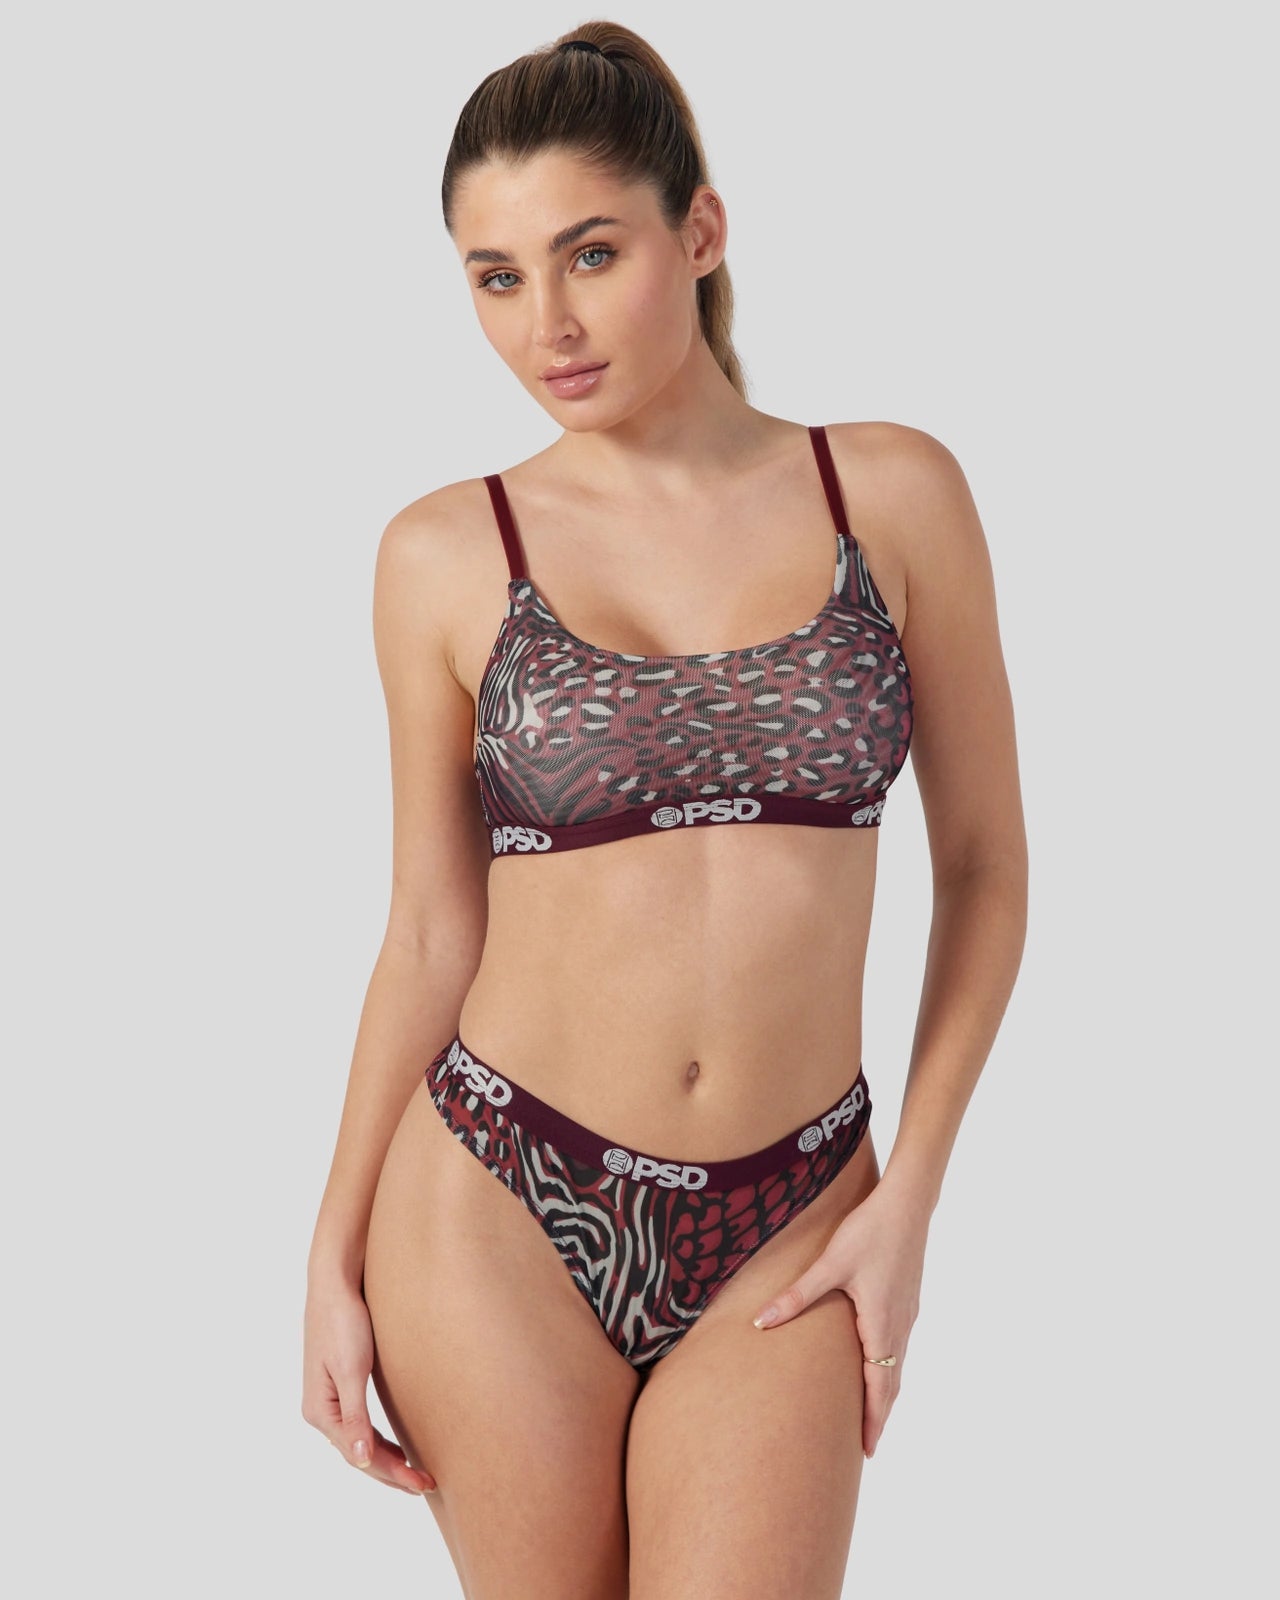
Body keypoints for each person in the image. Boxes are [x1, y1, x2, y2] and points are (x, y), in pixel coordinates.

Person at [302, 20, 1027, 1598]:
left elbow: (983, 869)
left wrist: (911, 1200)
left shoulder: (889, 494)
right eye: (496, 278)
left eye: (590, 254)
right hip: (496, 1199)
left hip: (796, 1210)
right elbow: (427, 927)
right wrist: (330, 1255)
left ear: (699, 232)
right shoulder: (444, 553)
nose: (547, 325)